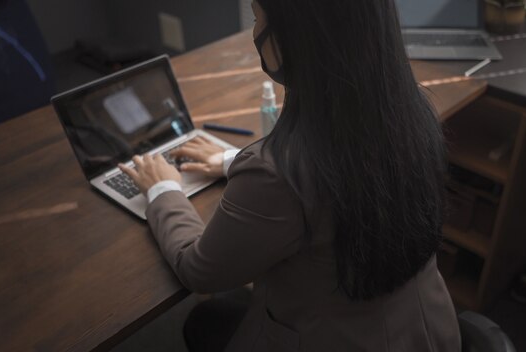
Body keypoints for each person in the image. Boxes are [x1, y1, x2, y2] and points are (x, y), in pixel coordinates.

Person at [119, 0, 461, 351]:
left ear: (293, 39)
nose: (254, 32)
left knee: (203, 320)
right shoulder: (415, 114)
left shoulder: (275, 174)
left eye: (256, 18)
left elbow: (199, 272)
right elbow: (343, 167)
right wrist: (229, 160)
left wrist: (163, 190)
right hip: (427, 331)